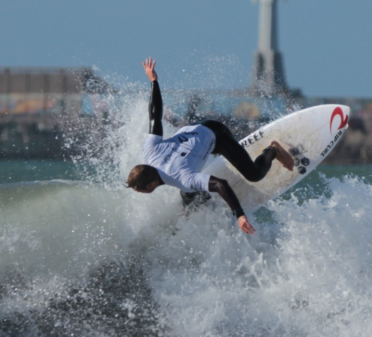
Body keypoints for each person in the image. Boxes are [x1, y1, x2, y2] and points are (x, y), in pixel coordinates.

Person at [126, 58, 294, 234]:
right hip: (197, 128)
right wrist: (153, 81)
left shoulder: (184, 178)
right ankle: (193, 207)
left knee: (254, 174)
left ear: (151, 184)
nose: (137, 192)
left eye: (139, 189)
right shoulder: (150, 151)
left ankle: (273, 150)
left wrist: (239, 215)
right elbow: (155, 116)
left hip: (217, 135)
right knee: (188, 193)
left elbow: (221, 184)